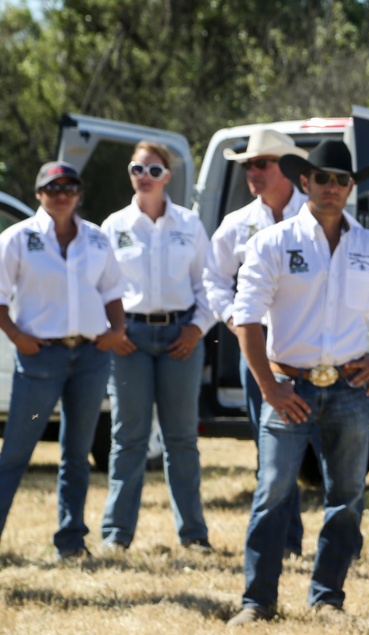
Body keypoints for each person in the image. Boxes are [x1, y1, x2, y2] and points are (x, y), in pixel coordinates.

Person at [226, 140, 369, 625]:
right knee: (272, 492)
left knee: (348, 496)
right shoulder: (273, 242)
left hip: (350, 387)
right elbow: (246, 318)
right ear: (304, 181)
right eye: (324, 178)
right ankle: (257, 602)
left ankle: (328, 597)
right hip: (288, 388)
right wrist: (269, 388)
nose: (332, 186)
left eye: (342, 179)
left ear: (351, 187)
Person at [0, 162, 126, 559]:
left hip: (89, 355)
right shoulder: (17, 239)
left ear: (78, 194)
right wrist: (18, 337)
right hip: (41, 356)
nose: (62, 194)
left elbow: (113, 290)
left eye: (69, 187)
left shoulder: (97, 239)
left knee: (77, 452)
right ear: (39, 193)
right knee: (16, 452)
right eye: (53, 187)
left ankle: (71, 541)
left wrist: (116, 330)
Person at [100, 141, 215, 552]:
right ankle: (116, 534)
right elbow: (97, 286)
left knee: (181, 437)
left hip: (179, 337)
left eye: (152, 170)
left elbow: (208, 285)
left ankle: (193, 535)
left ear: (167, 176)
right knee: (128, 436)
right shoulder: (113, 226)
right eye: (136, 169)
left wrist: (196, 329)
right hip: (128, 339)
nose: (143, 177)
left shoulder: (190, 225)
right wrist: (112, 331)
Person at [204, 128, 310, 558]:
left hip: (314, 344)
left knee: (328, 450)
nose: (253, 171)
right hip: (261, 346)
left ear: (287, 168)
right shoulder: (237, 223)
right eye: (248, 164)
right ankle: (285, 541)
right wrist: (231, 317)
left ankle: (340, 539)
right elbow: (212, 277)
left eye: (261, 163)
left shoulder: (317, 214)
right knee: (272, 447)